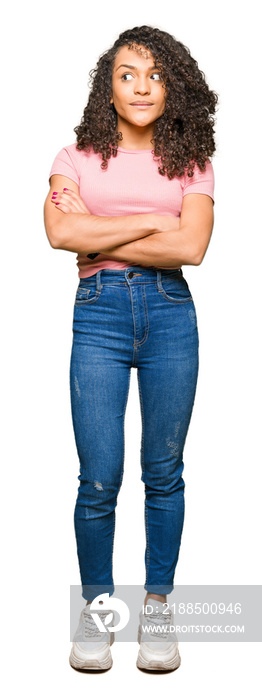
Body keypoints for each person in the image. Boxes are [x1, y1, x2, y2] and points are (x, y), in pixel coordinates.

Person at [44, 25, 217, 672]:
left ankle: (159, 606)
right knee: (98, 478)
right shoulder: (74, 158)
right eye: (126, 73)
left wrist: (101, 237)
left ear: (172, 85)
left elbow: (190, 248)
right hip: (99, 319)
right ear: (107, 86)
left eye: (154, 74)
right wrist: (152, 220)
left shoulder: (192, 159)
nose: (141, 86)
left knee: (163, 472)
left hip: (172, 316)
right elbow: (61, 232)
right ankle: (97, 613)